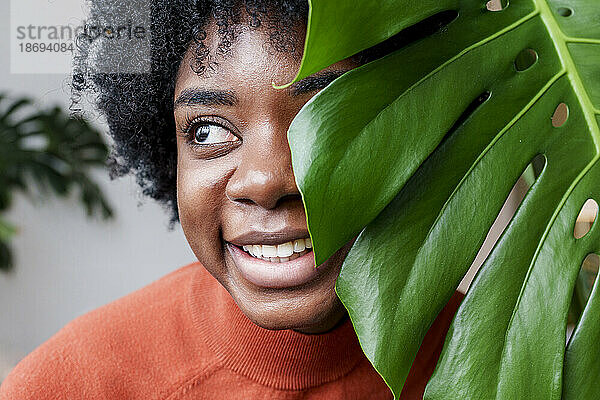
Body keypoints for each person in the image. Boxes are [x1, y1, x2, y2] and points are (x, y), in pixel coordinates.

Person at [0, 0, 464, 398]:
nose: (265, 181)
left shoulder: (497, 357)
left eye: (327, 120)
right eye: (207, 130)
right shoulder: (70, 385)